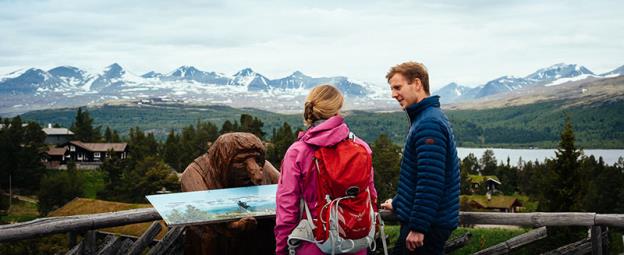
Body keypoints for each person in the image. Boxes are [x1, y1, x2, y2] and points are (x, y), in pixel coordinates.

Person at [274, 84, 377, 255]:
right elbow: (371, 196)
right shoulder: (361, 147)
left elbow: (287, 208)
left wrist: (282, 248)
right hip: (355, 242)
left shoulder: (297, 152)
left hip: (313, 243)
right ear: (338, 109)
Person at [380, 61, 460, 255]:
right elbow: (418, 175)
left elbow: (431, 181)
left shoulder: (429, 123)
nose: (393, 94)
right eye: (392, 89)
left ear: (417, 84)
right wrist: (399, 203)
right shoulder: (426, 116)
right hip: (429, 221)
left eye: (398, 87)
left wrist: (418, 228)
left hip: (428, 225)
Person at [180, 132, 280, 255]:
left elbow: (287, 194)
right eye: (240, 162)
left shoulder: (264, 167)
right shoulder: (195, 173)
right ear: (223, 162)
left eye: (256, 160)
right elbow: (202, 220)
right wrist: (232, 226)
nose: (256, 172)